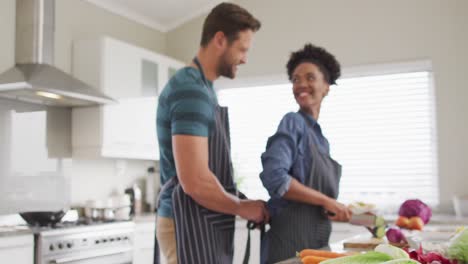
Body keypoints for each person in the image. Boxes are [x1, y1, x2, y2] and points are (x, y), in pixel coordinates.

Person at [155, 3, 268, 264]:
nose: (244, 58)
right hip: (185, 223)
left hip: (197, 220)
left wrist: (241, 201)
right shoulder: (191, 91)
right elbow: (194, 180)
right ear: (220, 39)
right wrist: (241, 208)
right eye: (242, 49)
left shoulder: (204, 89)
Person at [259, 43, 353, 263]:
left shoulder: (321, 140)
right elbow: (275, 177)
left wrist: (335, 209)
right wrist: (327, 201)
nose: (301, 84)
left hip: (318, 244)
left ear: (326, 86)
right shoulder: (292, 122)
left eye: (310, 78)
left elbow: (317, 203)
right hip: (288, 247)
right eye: (295, 79)